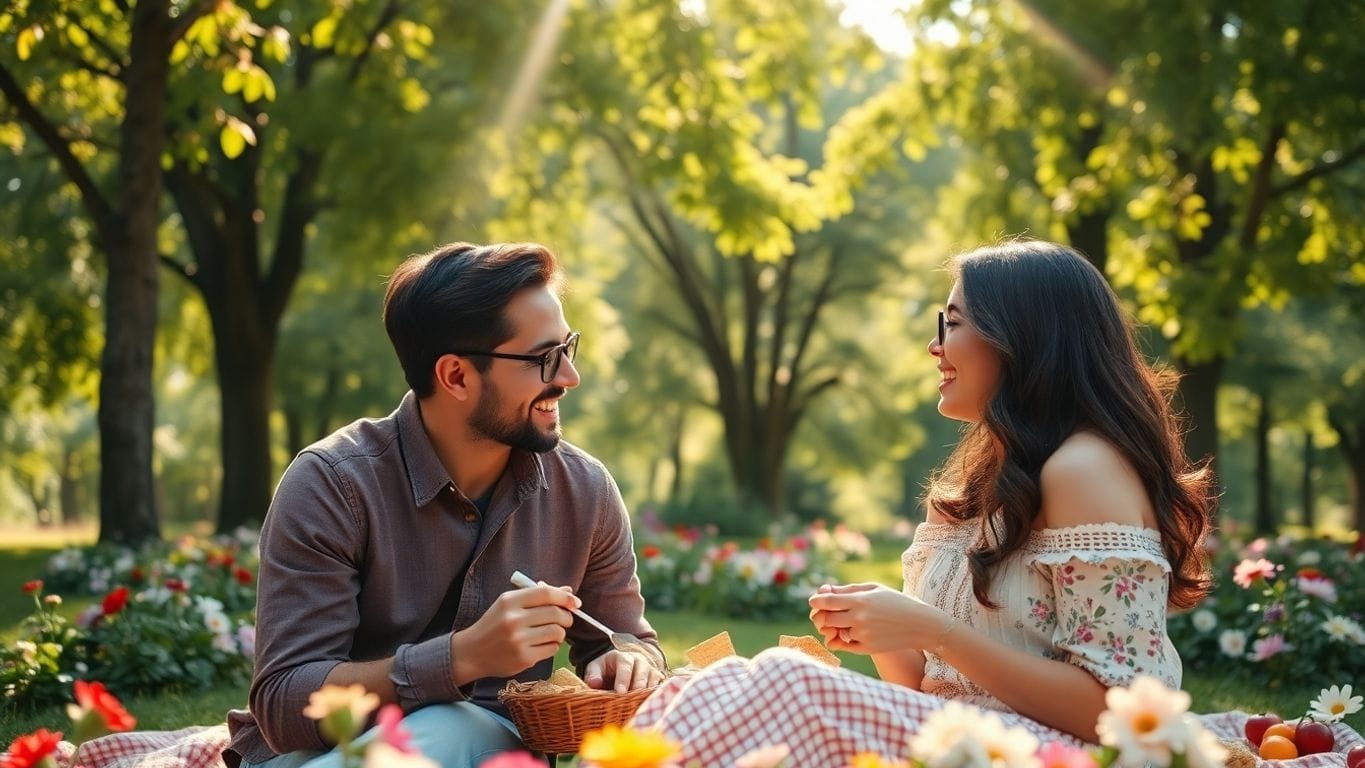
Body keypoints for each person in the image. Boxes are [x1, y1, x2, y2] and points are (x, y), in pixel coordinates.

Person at [629, 239, 1216, 766]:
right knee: (700, 684)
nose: (936, 346)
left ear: (1023, 336)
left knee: (786, 682)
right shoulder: (972, 494)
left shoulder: (1086, 469)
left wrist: (932, 629)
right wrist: (876, 633)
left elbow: (1115, 709)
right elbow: (921, 687)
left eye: (953, 322)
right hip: (957, 745)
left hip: (1060, 757)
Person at [225, 242, 665, 768]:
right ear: (455, 376)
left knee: (458, 729)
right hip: (317, 754)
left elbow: (624, 640)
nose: (569, 376)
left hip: (487, 750)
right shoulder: (332, 483)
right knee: (446, 728)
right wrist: (462, 658)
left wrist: (629, 661)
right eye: (544, 358)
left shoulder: (586, 491)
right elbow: (282, 703)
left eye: (568, 347)